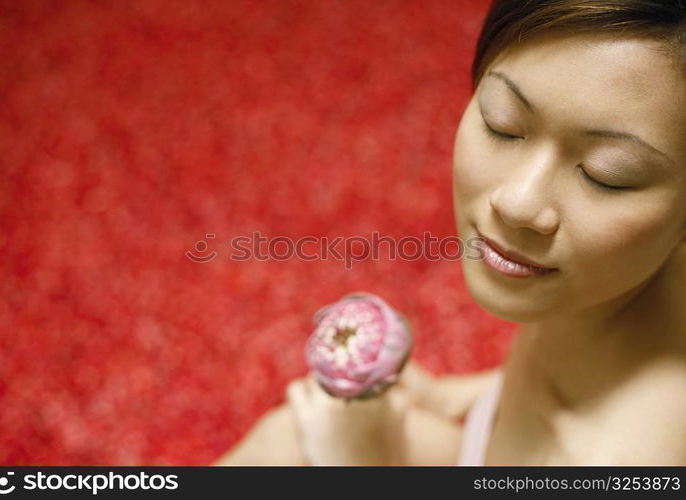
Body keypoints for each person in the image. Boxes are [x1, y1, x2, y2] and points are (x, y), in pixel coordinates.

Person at [216, 0, 686, 465]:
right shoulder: (617, 282)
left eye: (606, 175)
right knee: (286, 443)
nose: (517, 202)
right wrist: (460, 396)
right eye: (504, 124)